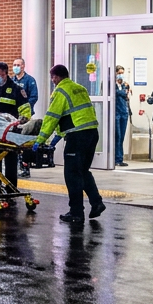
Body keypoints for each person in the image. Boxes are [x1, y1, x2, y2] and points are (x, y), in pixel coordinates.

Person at [34, 64, 105, 226]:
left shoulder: (60, 91)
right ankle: (96, 203)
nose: (52, 80)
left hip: (77, 137)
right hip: (92, 133)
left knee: (72, 174)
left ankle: (76, 213)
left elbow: (52, 117)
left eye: (53, 77)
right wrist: (56, 138)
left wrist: (40, 140)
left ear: (56, 77)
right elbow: (72, 116)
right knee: (83, 171)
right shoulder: (80, 88)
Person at [0, 61, 31, 185]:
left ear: (6, 74)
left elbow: (25, 109)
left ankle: (11, 187)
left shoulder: (16, 89)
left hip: (10, 130)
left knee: (10, 159)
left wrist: (23, 121)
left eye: (0, 74)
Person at [114, 66, 130, 167]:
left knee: (122, 137)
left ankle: (120, 158)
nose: (121, 75)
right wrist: (122, 93)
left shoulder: (124, 85)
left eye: (122, 73)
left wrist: (123, 92)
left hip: (124, 112)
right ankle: (116, 158)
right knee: (117, 136)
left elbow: (126, 95)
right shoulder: (111, 84)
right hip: (115, 113)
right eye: (119, 72)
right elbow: (114, 93)